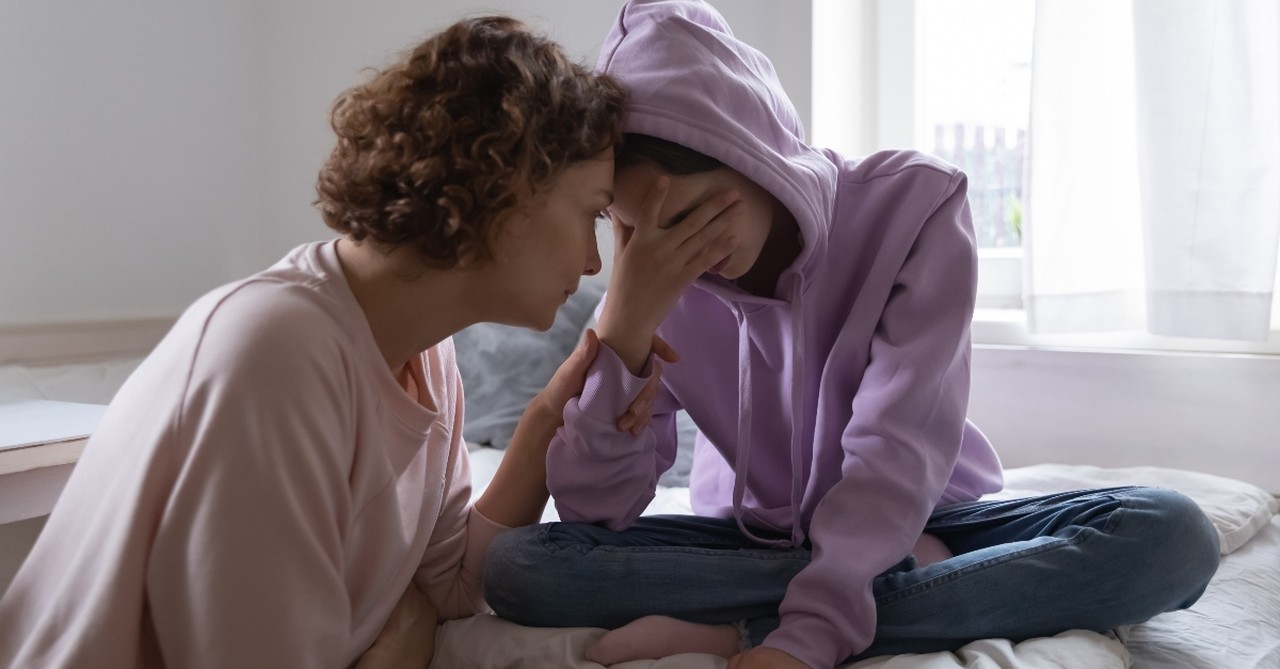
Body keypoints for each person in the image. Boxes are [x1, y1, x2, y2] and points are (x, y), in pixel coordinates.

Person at [482, 2, 1223, 668]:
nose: (683, 253)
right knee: (520, 566)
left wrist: (799, 639)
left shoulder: (916, 210)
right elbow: (595, 512)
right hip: (750, 541)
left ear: (754, 154)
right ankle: (901, 590)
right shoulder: (653, 278)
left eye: (699, 215)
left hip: (928, 514)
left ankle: (739, 624)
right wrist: (624, 334)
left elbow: (891, 452)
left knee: (1173, 534)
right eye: (636, 228)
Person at [0, 16, 688, 668]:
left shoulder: (425, 354)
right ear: (508, 186)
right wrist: (400, 652)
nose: (594, 262)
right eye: (592, 213)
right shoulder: (275, 352)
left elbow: (449, 585)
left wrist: (545, 421)